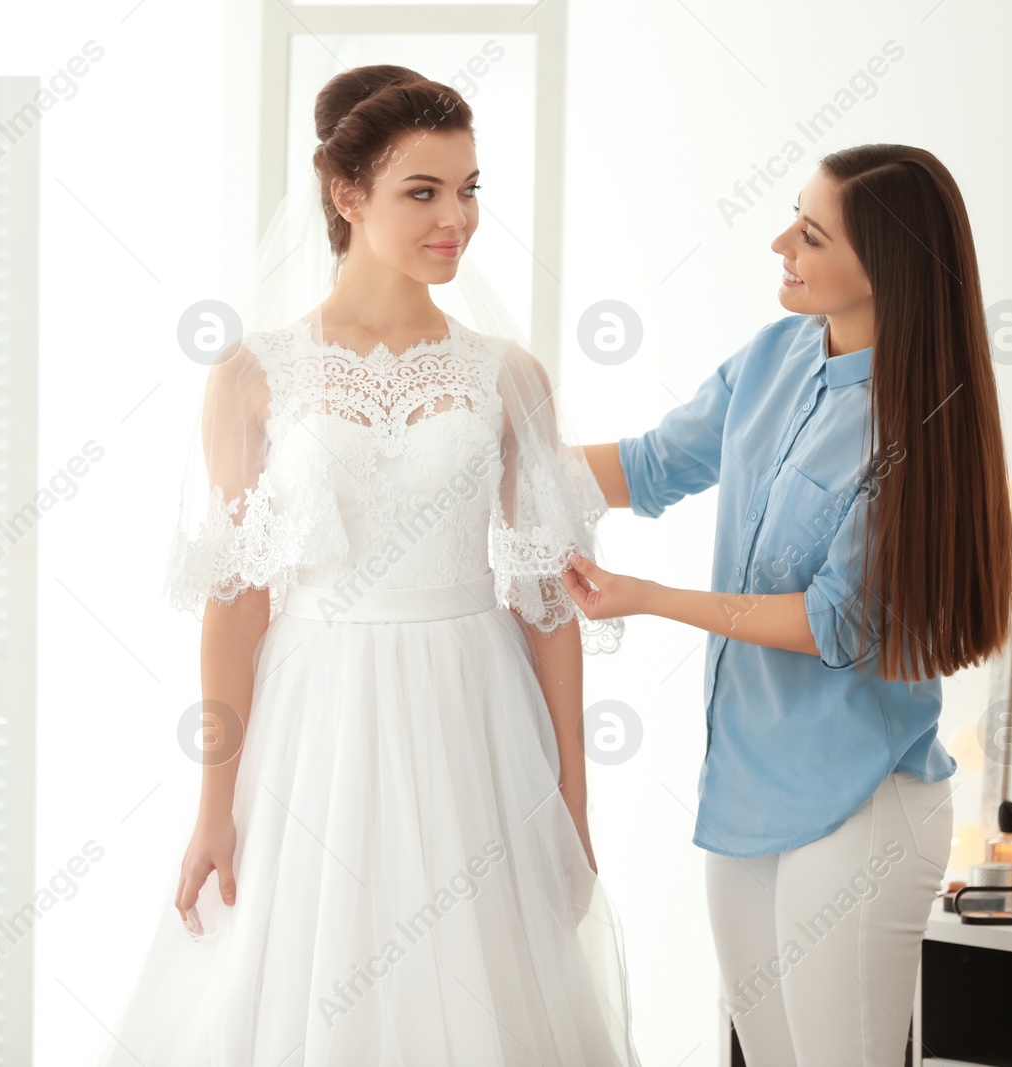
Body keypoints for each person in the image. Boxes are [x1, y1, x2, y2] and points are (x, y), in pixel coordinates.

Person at [89, 66, 641, 1066]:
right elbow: (235, 597)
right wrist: (214, 804)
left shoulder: (508, 373)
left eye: (468, 189)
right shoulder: (254, 372)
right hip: (315, 719)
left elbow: (545, 604)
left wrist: (571, 802)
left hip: (474, 711)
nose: (456, 219)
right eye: (422, 192)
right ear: (346, 195)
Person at [559, 145, 1012, 1065]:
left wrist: (650, 597)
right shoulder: (773, 354)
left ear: (882, 266)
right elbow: (651, 465)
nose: (781, 243)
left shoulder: (914, 425)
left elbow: (831, 622)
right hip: (744, 792)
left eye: (810, 233)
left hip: (860, 801)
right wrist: (483, 450)